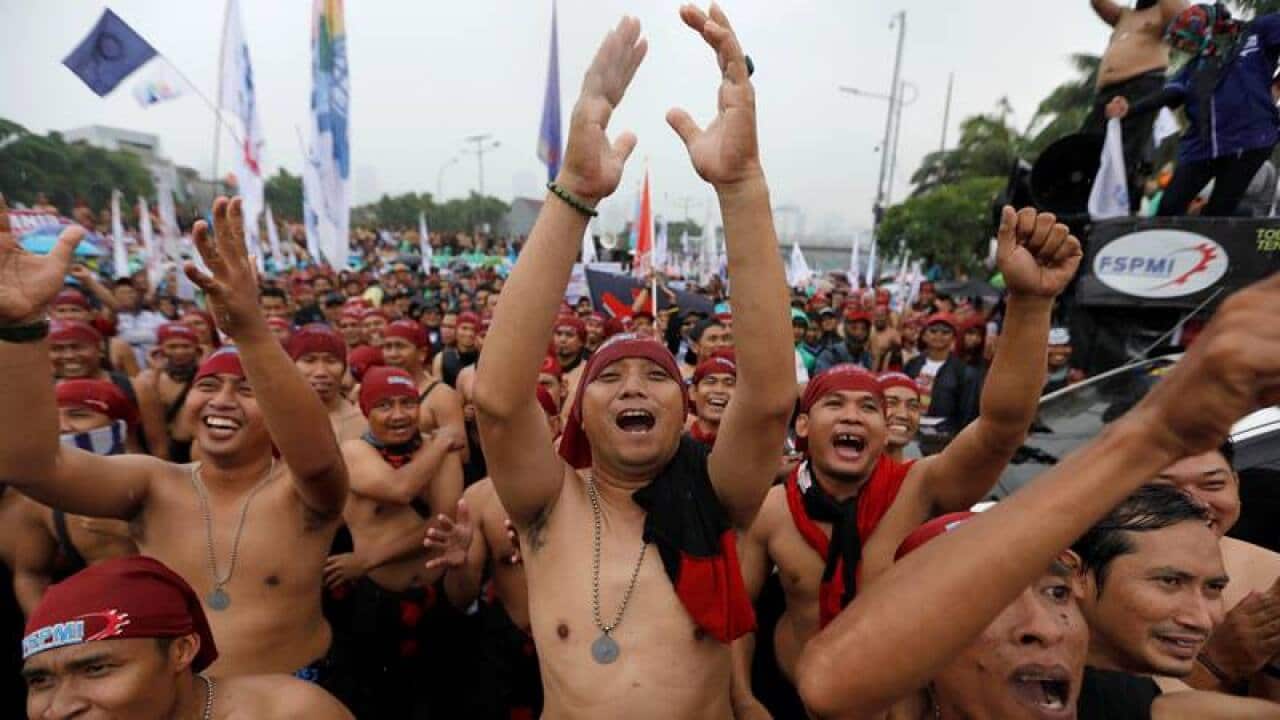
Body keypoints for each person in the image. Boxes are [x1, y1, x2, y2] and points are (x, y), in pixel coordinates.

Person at [472, 7, 795, 717]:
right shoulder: (545, 504)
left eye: (656, 375)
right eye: (609, 377)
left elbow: (770, 398)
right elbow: (497, 400)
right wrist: (575, 193)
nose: (634, 386)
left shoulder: (715, 497)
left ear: (684, 412)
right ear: (577, 412)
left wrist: (741, 189)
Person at [795, 269, 1280, 719]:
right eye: (984, 603)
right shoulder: (798, 507)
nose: (1043, 627)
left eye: (1057, 593)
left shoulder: (1121, 704)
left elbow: (1001, 429)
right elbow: (830, 683)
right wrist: (1155, 433)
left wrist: (1030, 303)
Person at [732, 206, 1081, 717]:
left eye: (869, 407)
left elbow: (1001, 428)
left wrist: (1029, 303)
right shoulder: (769, 511)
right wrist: (743, 699)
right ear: (803, 426)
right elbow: (735, 618)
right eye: (835, 404)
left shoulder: (919, 489)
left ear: (884, 429)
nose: (854, 415)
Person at [0, 198, 353, 691]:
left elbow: (316, 463)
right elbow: (31, 465)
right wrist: (19, 327)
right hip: (175, 701)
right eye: (208, 387)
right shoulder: (151, 483)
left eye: (246, 390)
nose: (222, 401)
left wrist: (249, 330)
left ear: (274, 412)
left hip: (295, 694)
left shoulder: (303, 495)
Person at [21, 556, 353, 720]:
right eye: (40, 680)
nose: (60, 708)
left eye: (95, 669)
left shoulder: (287, 714)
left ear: (182, 651)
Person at [324, 366, 465, 718]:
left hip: (434, 600)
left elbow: (441, 525)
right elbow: (399, 489)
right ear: (366, 412)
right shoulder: (353, 452)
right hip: (373, 601)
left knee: (436, 704)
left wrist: (368, 558)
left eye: (408, 403)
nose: (399, 415)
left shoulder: (440, 451)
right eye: (385, 405)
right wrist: (442, 442)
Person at [426, 387, 561, 720]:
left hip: (579, 648)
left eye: (529, 422)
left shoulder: (590, 491)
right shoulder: (479, 499)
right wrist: (457, 567)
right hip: (510, 649)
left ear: (555, 425)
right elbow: (461, 599)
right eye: (504, 424)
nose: (516, 434)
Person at [1107, 4, 1280, 217]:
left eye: (1190, 38)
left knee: (1219, 212)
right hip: (1202, 144)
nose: (1188, 47)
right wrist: (1129, 110)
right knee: (1167, 209)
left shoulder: (1256, 31)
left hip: (1250, 139)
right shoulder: (1195, 66)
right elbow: (1170, 94)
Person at [1149, 445, 1280, 700]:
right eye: (1165, 490)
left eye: (1213, 485)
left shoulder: (1272, 570)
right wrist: (1213, 663)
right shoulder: (1089, 586)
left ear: (1236, 485)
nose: (1194, 503)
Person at [10, 379, 140, 616]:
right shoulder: (41, 497)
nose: (63, 427)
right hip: (96, 621)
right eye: (53, 417)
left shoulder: (163, 481)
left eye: (78, 415)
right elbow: (30, 574)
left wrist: (136, 531)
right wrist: (47, 631)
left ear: (116, 423)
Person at [1084, 0, 1188, 210]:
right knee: (1087, 149)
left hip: (1142, 86)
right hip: (1107, 93)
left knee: (1126, 154)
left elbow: (1181, 16)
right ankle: (1084, 205)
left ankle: (1120, 209)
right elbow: (1097, 3)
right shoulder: (1125, 15)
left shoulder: (1161, 12)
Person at [133, 322, 203, 461]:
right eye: (172, 347)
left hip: (191, 448)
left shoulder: (205, 377)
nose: (179, 352)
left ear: (196, 349)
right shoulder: (147, 378)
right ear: (160, 349)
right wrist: (156, 371)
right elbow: (149, 414)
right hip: (159, 448)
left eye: (186, 346)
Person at [288, 324, 366, 444]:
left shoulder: (365, 421)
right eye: (309, 360)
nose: (321, 372)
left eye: (331, 361)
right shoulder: (275, 420)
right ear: (292, 365)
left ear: (344, 368)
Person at [904, 313, 971, 439]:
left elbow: (966, 411)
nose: (938, 336)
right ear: (924, 335)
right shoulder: (912, 365)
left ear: (953, 338)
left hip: (944, 434)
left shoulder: (962, 371)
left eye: (945, 332)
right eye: (933, 331)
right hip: (912, 430)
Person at [687, 352, 737, 448]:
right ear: (693, 392)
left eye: (729, 383)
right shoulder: (674, 446)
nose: (719, 390)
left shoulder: (751, 448)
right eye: (710, 382)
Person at [813, 308, 874, 373]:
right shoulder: (830, 354)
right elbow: (822, 380)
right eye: (854, 328)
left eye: (863, 329)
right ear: (845, 329)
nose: (859, 333)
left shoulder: (867, 358)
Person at [879, 372, 921, 462]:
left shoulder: (923, 471)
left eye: (913, 406)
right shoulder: (847, 471)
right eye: (890, 403)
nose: (903, 415)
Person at [434, 311, 480, 388]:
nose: (469, 333)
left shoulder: (483, 358)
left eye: (473, 329)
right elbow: (438, 392)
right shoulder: (441, 358)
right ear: (456, 330)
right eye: (464, 328)